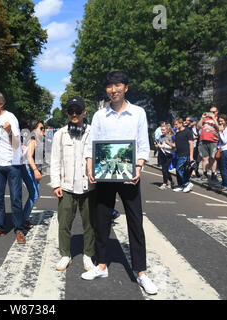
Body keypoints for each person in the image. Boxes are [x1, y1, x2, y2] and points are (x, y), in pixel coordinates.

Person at [84, 71, 158, 295]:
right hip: (104, 174)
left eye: (117, 85)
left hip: (129, 175)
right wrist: (90, 167)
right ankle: (102, 264)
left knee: (135, 222)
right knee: (101, 221)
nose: (113, 89)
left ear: (126, 87)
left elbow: (143, 145)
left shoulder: (138, 113)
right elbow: (92, 145)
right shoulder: (99, 116)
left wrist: (138, 167)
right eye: (109, 86)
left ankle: (141, 271)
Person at [50, 96, 96, 272]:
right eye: (71, 111)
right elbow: (55, 160)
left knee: (90, 223)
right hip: (67, 186)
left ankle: (88, 254)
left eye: (78, 110)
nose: (74, 114)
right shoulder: (60, 134)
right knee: (64, 223)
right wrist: (56, 184)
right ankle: (65, 255)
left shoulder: (94, 132)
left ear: (85, 111)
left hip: (89, 186)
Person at [0, 91, 26, 244]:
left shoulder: (10, 118)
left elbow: (17, 144)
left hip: (11, 164)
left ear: (1, 104)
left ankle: (19, 229)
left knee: (16, 198)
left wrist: (9, 132)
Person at [21, 120, 44, 229]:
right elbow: (29, 157)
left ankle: (23, 218)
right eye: (41, 128)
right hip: (30, 170)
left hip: (35, 170)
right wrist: (35, 170)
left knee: (34, 195)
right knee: (34, 195)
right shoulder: (33, 140)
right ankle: (23, 219)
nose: (43, 131)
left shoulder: (37, 140)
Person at [171, 118, 194, 192]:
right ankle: (181, 185)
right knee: (179, 171)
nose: (175, 126)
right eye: (174, 124)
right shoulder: (177, 133)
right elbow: (176, 144)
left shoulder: (188, 132)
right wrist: (169, 143)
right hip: (178, 154)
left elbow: (191, 144)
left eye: (176, 124)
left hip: (185, 154)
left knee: (179, 169)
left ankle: (187, 183)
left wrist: (191, 156)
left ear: (181, 123)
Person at [197, 106, 219, 183]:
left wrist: (214, 118)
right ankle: (205, 174)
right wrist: (202, 118)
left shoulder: (218, 119)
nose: (211, 113)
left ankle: (213, 174)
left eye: (213, 112)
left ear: (217, 112)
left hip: (213, 141)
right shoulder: (205, 119)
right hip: (203, 140)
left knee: (213, 158)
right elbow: (198, 127)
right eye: (210, 111)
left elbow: (219, 128)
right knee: (204, 158)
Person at [215, 114, 227, 191]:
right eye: (219, 121)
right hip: (220, 150)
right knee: (220, 168)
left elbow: (225, 140)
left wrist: (220, 132)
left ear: (226, 121)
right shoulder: (224, 128)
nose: (220, 123)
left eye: (222, 121)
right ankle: (223, 183)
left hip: (225, 150)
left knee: (223, 168)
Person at [154, 124, 175, 190]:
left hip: (168, 155)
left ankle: (165, 183)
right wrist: (157, 145)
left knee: (164, 169)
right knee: (165, 169)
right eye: (161, 130)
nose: (162, 131)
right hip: (162, 154)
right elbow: (159, 144)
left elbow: (171, 147)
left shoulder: (171, 137)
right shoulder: (161, 137)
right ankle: (171, 181)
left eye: (163, 130)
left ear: (168, 130)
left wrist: (163, 146)